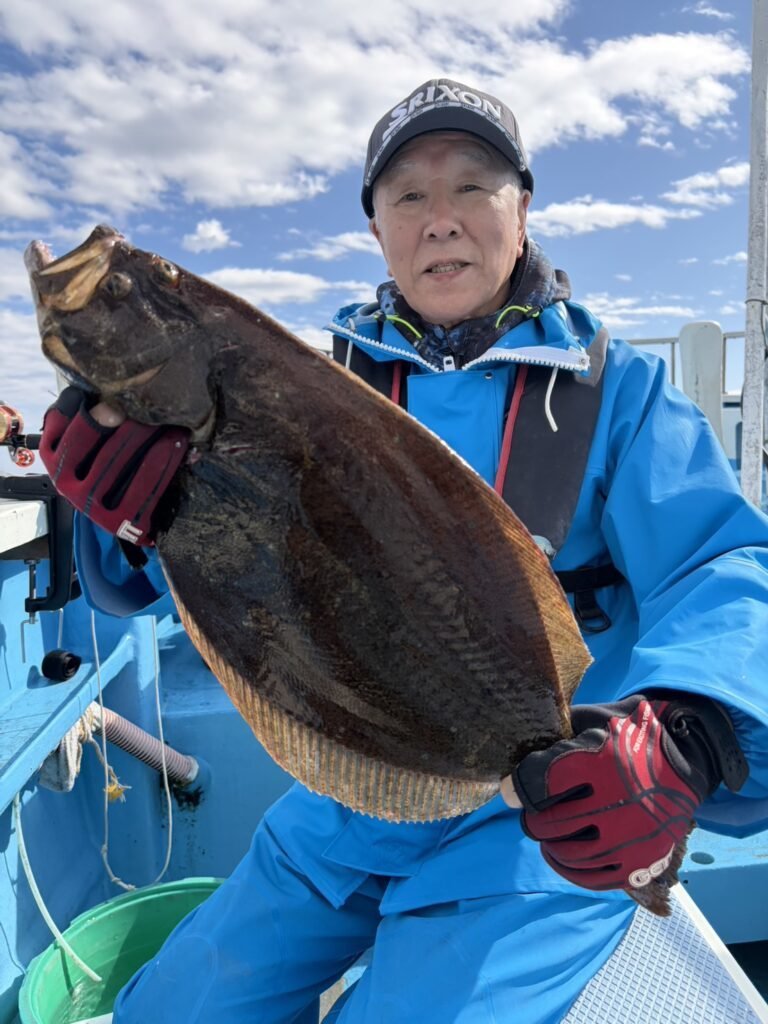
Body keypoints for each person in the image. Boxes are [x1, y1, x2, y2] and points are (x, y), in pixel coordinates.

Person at [39, 78, 768, 1024]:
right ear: (377, 227)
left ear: (522, 209)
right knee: (177, 1010)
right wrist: (125, 517)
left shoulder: (617, 392)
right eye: (409, 195)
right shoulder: (313, 379)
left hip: (540, 810)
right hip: (348, 799)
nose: (441, 219)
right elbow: (187, 568)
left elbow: (719, 562)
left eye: (471, 187)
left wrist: (689, 732)